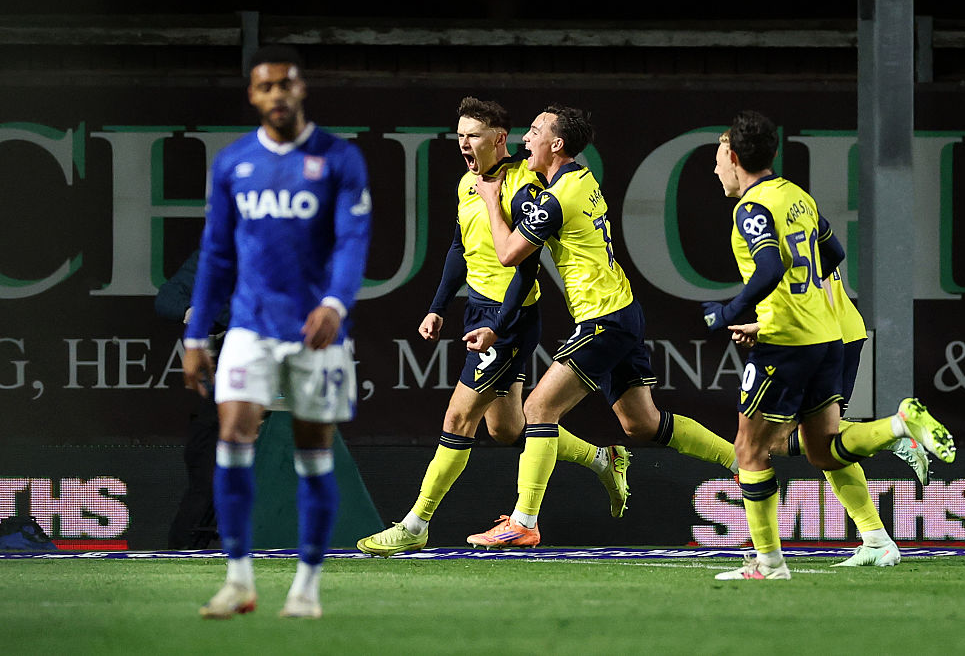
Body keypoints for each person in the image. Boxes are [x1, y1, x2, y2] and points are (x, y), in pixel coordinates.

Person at [356, 97, 630, 558]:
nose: (463, 143)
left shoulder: (524, 186)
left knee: (458, 419)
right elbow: (459, 248)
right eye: (460, 134)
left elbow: (526, 267)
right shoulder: (469, 184)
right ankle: (602, 458)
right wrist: (438, 306)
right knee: (507, 429)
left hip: (510, 317)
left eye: (474, 135)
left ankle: (414, 524)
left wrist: (499, 327)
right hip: (479, 313)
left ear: (499, 139)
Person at [464, 104, 738, 548]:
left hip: (602, 319)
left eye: (534, 132)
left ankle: (523, 520)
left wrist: (493, 202)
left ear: (556, 144)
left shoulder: (558, 197)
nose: (524, 140)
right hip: (622, 310)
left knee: (537, 411)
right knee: (642, 425)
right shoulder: (580, 178)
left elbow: (508, 254)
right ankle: (743, 463)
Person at [702, 110, 954, 580]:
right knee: (821, 448)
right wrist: (789, 308)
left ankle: (769, 564)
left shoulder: (751, 208)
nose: (716, 169)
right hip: (826, 334)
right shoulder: (797, 195)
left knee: (750, 449)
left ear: (735, 157)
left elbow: (772, 267)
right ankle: (897, 429)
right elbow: (832, 254)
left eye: (718, 160)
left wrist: (732, 312)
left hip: (790, 342)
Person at [183, 45, 372, 617]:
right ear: (254, 96)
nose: (277, 95)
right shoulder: (235, 163)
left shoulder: (338, 160)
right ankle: (239, 579)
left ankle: (306, 586)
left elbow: (351, 241)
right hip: (250, 326)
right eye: (266, 87)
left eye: (286, 85)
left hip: (317, 332)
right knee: (233, 438)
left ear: (301, 90)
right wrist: (195, 334)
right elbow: (216, 253)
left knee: (314, 453)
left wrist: (337, 302)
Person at [156, 248, 230, 550]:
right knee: (203, 465)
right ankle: (180, 554)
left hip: (279, 384)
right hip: (226, 390)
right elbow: (167, 299)